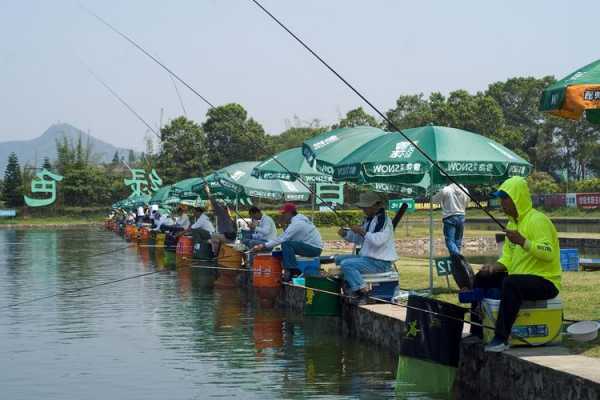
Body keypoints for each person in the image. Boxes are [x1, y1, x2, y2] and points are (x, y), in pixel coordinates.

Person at [471, 176, 561, 352]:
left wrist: (523, 241)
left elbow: (548, 253)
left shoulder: (538, 220)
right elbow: (508, 258)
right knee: (482, 278)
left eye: (505, 198)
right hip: (520, 279)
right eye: (501, 198)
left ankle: (501, 338)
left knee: (511, 283)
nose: (502, 203)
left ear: (517, 198)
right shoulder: (512, 224)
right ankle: (477, 331)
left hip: (546, 282)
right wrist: (493, 268)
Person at [335, 192, 398, 304]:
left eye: (365, 207)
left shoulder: (383, 220)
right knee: (338, 259)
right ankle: (350, 287)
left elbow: (378, 241)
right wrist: (346, 234)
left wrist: (362, 231)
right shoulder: (369, 219)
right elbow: (360, 239)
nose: (363, 209)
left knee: (346, 264)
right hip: (368, 259)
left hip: (379, 263)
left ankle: (362, 292)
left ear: (374, 206)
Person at [252, 203, 322, 278]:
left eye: (283, 213)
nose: (282, 216)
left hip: (314, 249)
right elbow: (288, 236)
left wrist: (263, 245)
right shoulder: (296, 221)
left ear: (289, 213)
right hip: (310, 246)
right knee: (278, 253)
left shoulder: (297, 223)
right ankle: (280, 273)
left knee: (286, 244)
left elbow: (283, 238)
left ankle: (292, 271)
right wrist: (283, 225)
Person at [432, 183, 470, 257]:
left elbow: (434, 200)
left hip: (449, 217)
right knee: (458, 241)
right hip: (461, 216)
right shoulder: (465, 190)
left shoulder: (446, 190)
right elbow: (467, 203)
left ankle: (458, 257)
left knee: (450, 241)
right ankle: (456, 262)